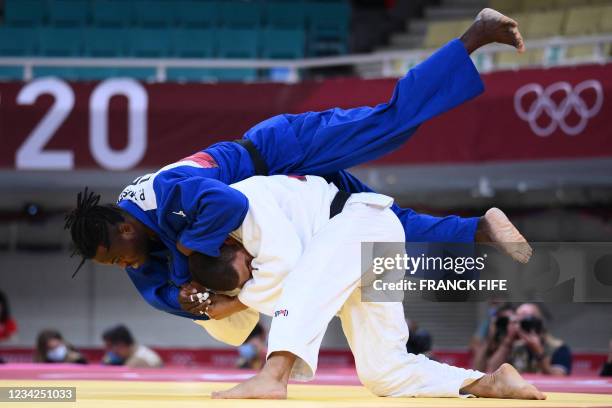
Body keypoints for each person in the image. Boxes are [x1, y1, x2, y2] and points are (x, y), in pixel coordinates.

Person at [65, 7, 530, 322]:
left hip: (280, 150)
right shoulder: (136, 248)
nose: (122, 265)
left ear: (125, 228)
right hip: (291, 197)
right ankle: (477, 231)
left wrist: (188, 260)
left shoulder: (166, 192)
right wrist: (192, 297)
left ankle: (476, 33)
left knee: (391, 124)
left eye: (115, 257)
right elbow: (166, 298)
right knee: (376, 223)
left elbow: (225, 204)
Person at [186, 173, 544, 400]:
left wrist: (231, 303)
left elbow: (286, 272)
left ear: (230, 244)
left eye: (248, 264)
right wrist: (219, 303)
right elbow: (267, 292)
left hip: (358, 224)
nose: (255, 269)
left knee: (298, 284)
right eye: (249, 275)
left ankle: (272, 376)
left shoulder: (242, 207)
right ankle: (489, 382)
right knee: (383, 371)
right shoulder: (239, 248)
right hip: (364, 245)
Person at [484, 303, 572, 376]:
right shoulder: (514, 347)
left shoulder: (558, 348)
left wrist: (539, 352)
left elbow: (559, 378)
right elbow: (491, 372)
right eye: (518, 321)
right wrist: (507, 342)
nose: (523, 326)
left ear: (539, 323)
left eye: (527, 321)